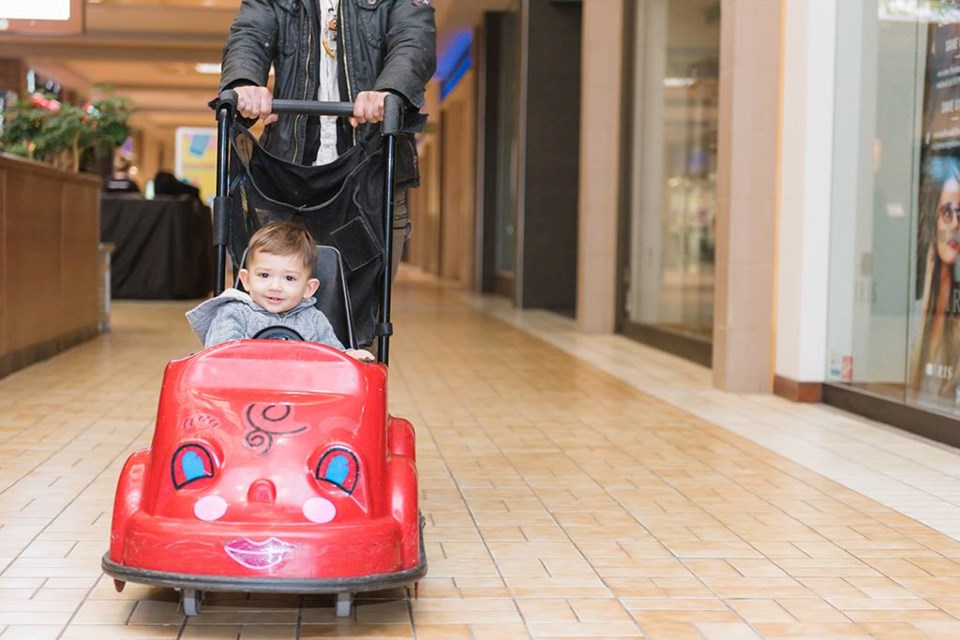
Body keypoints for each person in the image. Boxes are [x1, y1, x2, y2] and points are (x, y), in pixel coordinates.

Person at [218, 0, 437, 279]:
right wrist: (244, 82)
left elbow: (413, 39)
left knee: (359, 302)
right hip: (288, 177)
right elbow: (249, 34)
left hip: (369, 174)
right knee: (275, 297)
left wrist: (389, 90)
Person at [186, 221, 375, 361]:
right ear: (246, 280)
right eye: (264, 276)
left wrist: (349, 356)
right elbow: (217, 358)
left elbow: (333, 356)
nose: (275, 286)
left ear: (308, 289)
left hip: (300, 399)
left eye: (289, 278)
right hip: (242, 396)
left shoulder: (314, 320)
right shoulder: (233, 313)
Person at [908, 155, 960, 400]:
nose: (955, 225)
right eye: (946, 213)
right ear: (934, 220)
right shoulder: (915, 315)